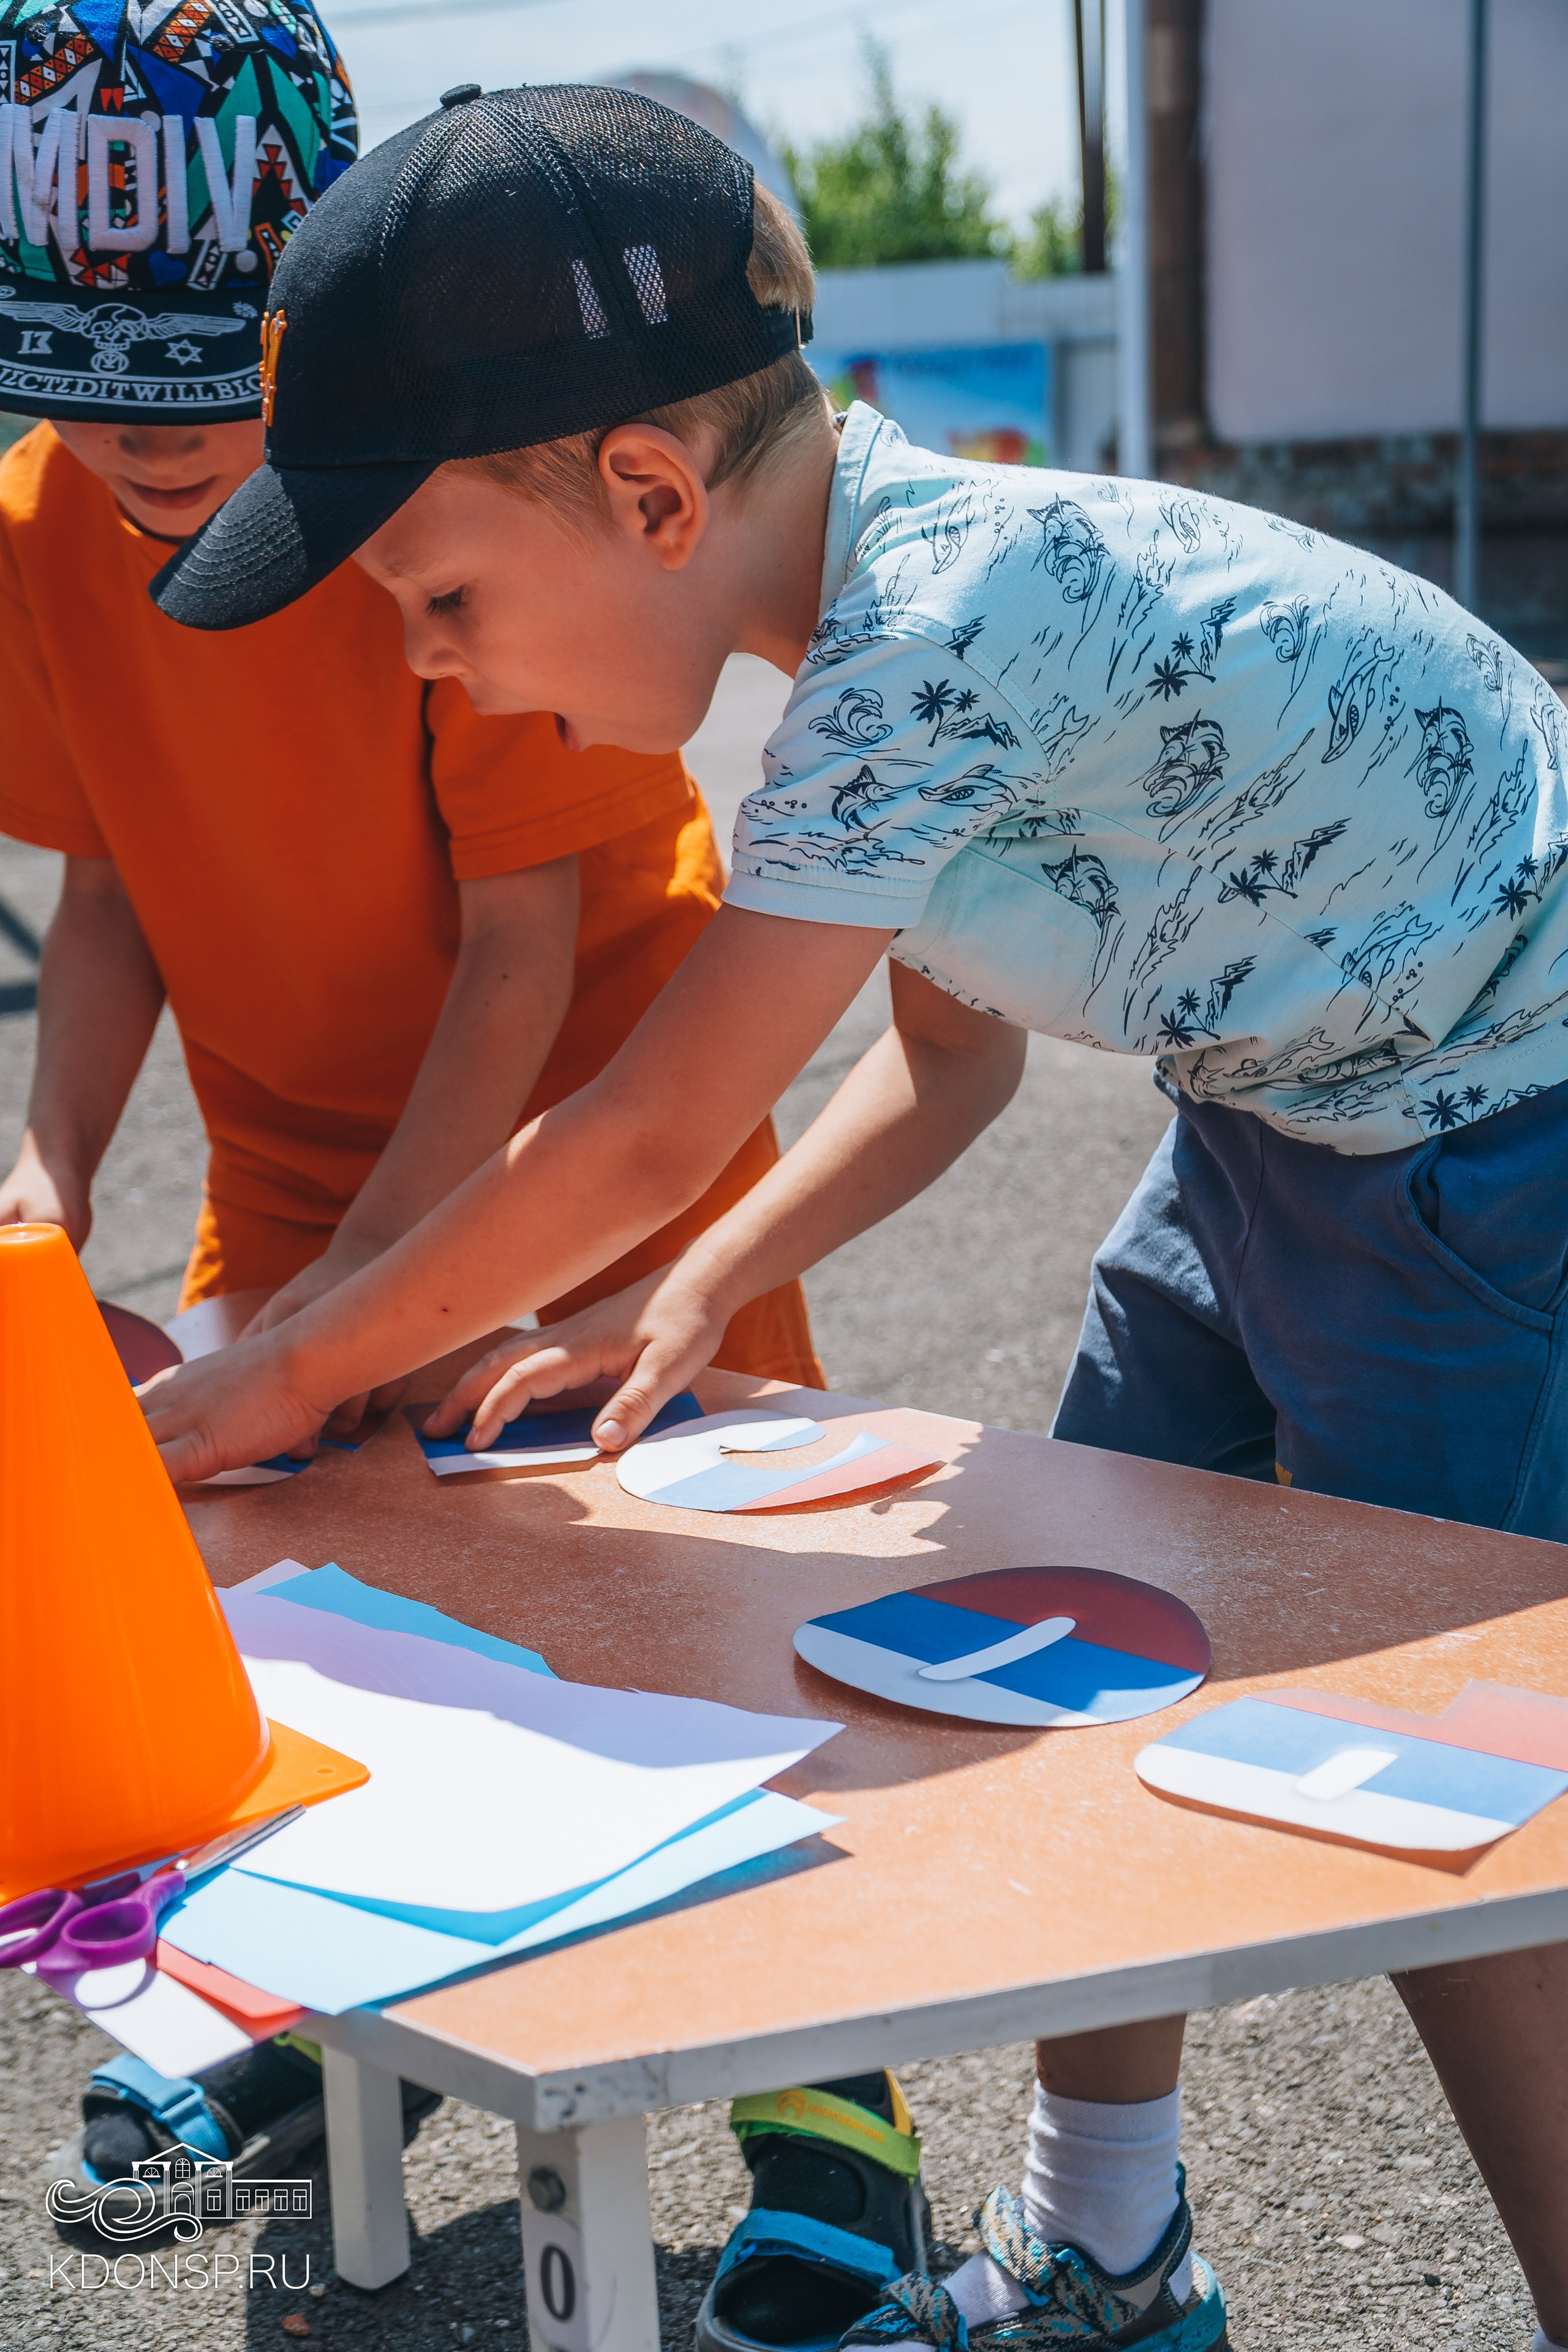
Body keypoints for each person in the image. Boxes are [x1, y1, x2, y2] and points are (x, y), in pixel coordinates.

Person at [137, 85, 1568, 2352]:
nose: (425, 658)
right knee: (1125, 1641)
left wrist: (280, 1373)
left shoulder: (934, 632)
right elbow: (953, 1053)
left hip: (1495, 1144)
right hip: (1280, 1118)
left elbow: (638, 1116)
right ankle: (1111, 2252)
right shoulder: (881, 625)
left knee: (1483, 1816)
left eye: (437, 595)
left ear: (646, 493)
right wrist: (691, 1294)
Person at [0, 31, 817, 2202]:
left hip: (597, 1134)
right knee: (272, 1614)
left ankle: (826, 2116)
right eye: (80, 386)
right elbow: (104, 888)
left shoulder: (434, 494)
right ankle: (280, 2016)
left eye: (200, 379)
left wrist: (339, 1324)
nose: (139, 439)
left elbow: (522, 956)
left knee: (699, 1621)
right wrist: (45, 1181)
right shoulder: (31, 535)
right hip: (292, 1150)